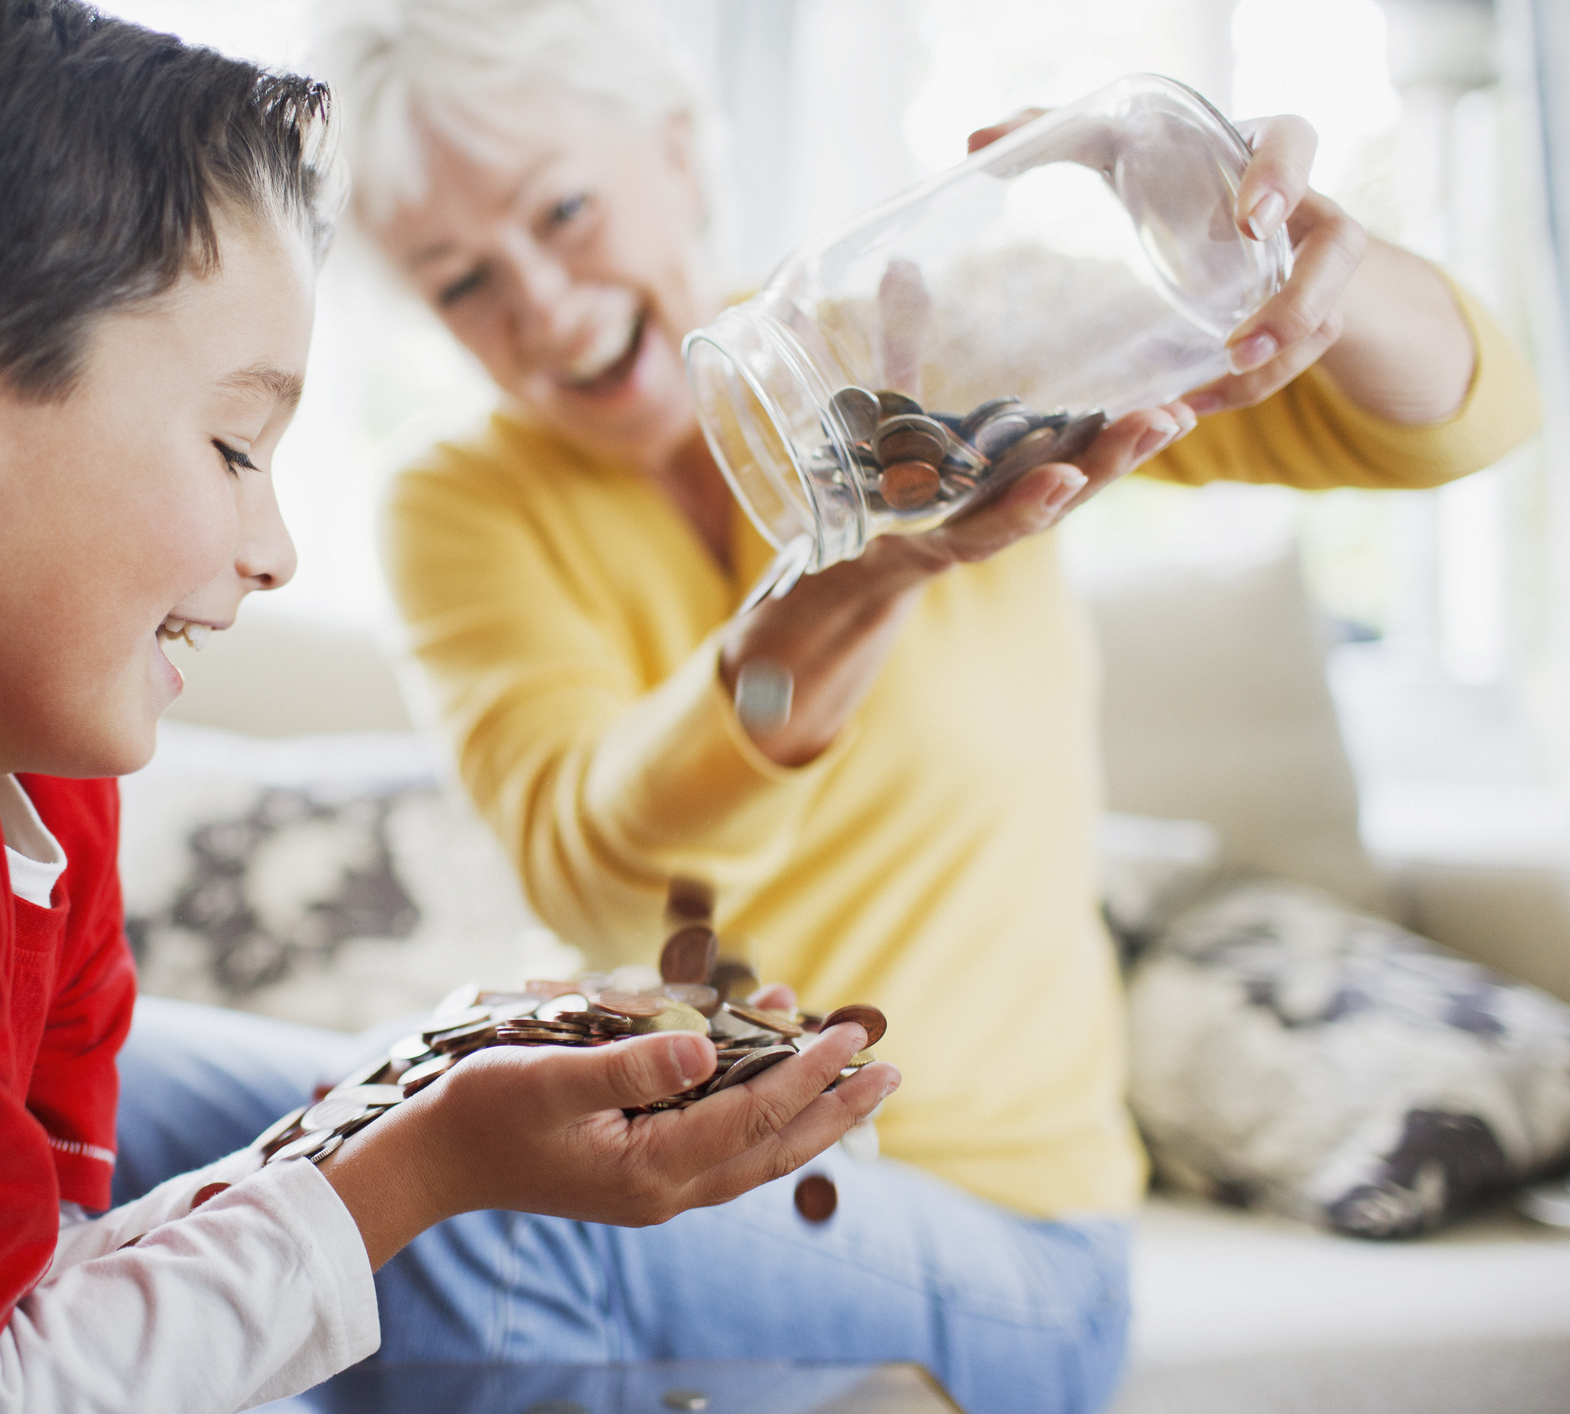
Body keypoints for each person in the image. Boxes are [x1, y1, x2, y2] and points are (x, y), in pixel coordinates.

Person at [0, 3, 898, 1410]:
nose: (274, 551)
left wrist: (397, 1111)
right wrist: (418, 1169)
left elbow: (34, 1309)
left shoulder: (19, 764)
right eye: (230, 444)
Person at [243, 0, 1534, 1409]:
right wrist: (845, 589)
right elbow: (599, 876)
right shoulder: (464, 496)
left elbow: (1455, 418)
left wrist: (1291, 254)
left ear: (676, 150)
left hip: (985, 1216)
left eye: (561, 211)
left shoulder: (928, 346)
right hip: (670, 1180)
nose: (540, 304)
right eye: (462, 281)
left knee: (416, 1230)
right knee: (222, 1142)